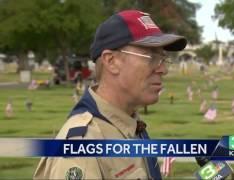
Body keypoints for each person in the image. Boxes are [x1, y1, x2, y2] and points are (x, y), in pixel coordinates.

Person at [33, 9, 187, 179]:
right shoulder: (83, 147)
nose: (163, 69)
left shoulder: (130, 126)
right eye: (151, 57)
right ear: (111, 61)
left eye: (163, 59)